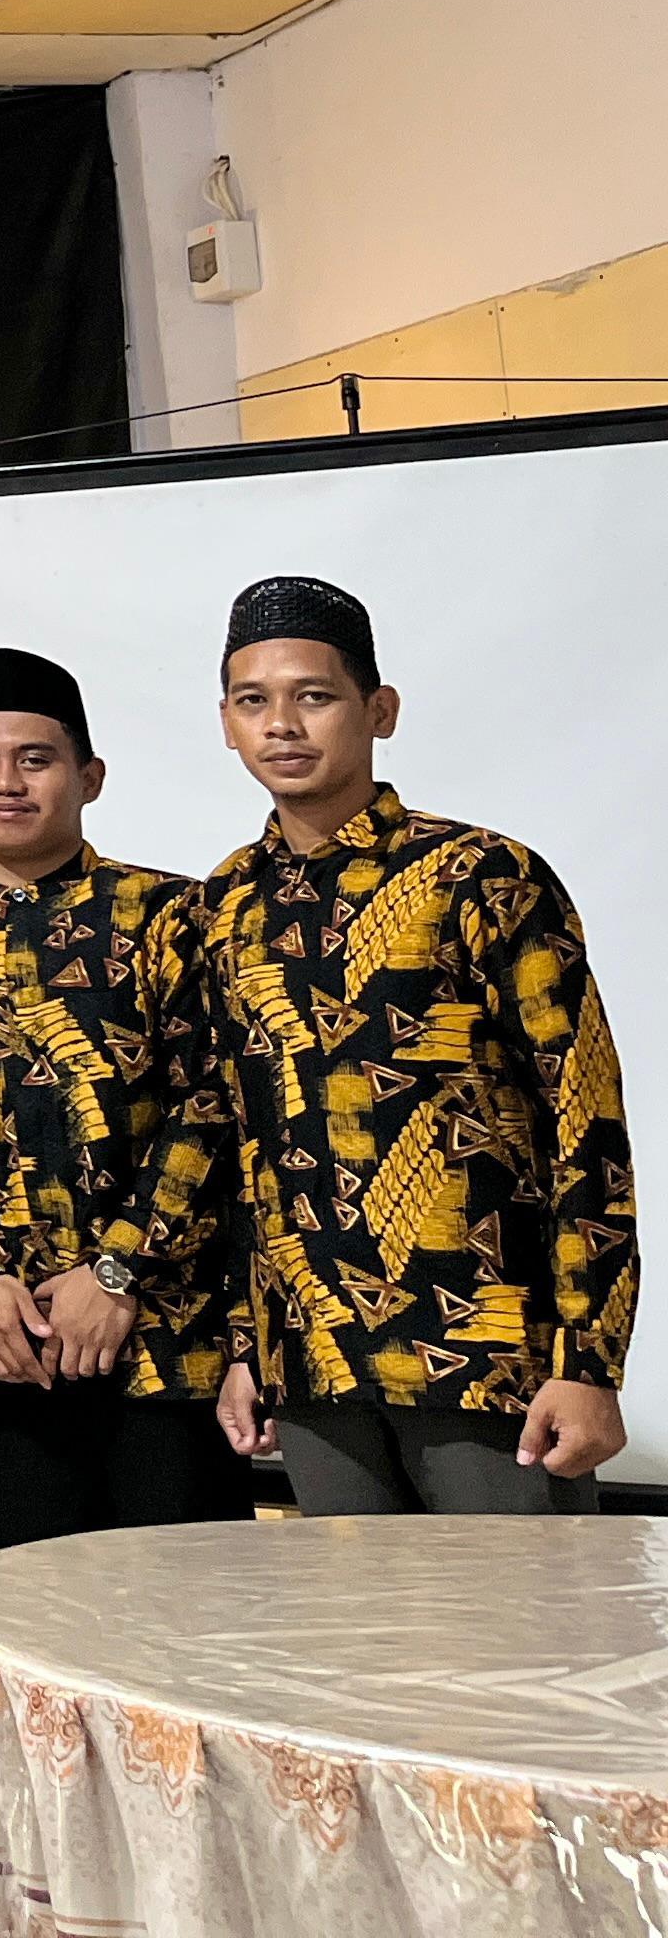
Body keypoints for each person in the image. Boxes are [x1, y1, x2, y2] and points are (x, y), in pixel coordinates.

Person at [202, 575, 635, 1513]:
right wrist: (247, 1343)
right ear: (227, 724)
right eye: (253, 701)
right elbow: (243, 1142)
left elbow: (583, 1118)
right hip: (314, 1361)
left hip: (487, 1358)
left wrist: (589, 1361)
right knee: (353, 1610)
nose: (282, 725)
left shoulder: (481, 875)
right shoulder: (226, 905)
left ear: (379, 710)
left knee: (517, 1610)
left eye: (314, 696)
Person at [0, 647, 247, 1548]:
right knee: (42, 1609)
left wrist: (118, 1270)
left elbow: (213, 1105)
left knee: (195, 1610)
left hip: (162, 1340)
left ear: (89, 777)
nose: (6, 782)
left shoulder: (168, 915)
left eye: (36, 758)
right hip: (9, 1343)